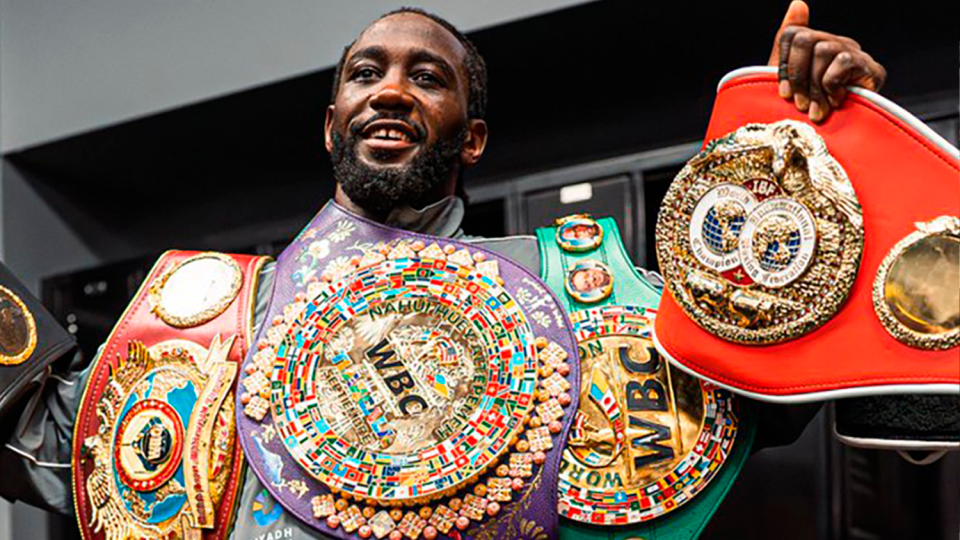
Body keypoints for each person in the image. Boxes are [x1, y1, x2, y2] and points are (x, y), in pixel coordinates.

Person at [0, 2, 887, 538]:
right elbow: (50, 436)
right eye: (366, 73)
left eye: (427, 77)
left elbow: (788, 363)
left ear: (472, 137)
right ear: (332, 123)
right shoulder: (216, 319)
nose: (390, 90)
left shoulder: (579, 299)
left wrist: (829, 158)